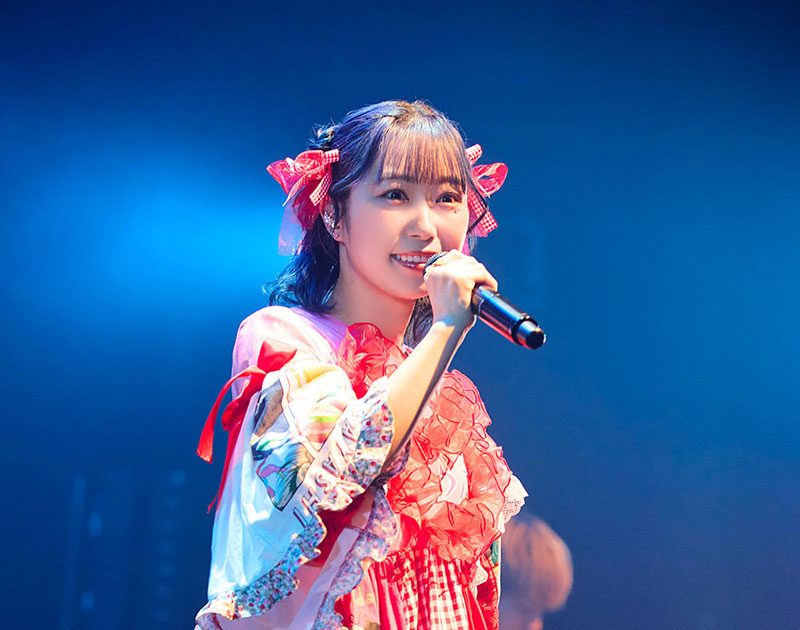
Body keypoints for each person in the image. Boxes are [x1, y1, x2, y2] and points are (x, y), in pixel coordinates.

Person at [194, 99, 528, 629]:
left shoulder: (442, 389)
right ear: (334, 215)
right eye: (395, 194)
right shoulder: (284, 340)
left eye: (447, 198)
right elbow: (341, 472)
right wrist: (446, 329)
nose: (426, 226)